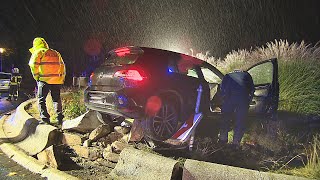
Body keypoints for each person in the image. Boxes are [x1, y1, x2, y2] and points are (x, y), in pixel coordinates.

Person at [28, 37, 66, 125]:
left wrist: (36, 76)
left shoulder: (39, 52)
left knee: (41, 99)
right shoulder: (55, 53)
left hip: (44, 80)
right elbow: (62, 66)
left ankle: (45, 119)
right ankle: (59, 118)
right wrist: (61, 78)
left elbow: (33, 65)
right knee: (56, 99)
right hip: (56, 80)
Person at [218, 70, 255, 148]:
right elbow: (252, 89)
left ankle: (222, 140)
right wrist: (248, 101)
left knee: (225, 119)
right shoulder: (246, 75)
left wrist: (223, 100)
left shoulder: (227, 76)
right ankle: (235, 143)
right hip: (242, 100)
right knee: (240, 121)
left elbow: (222, 89)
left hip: (229, 99)